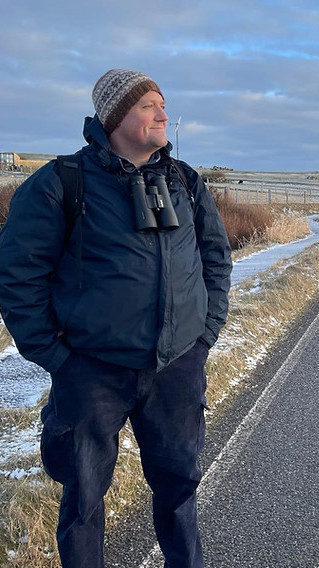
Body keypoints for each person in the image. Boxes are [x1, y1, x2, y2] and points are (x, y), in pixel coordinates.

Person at [0, 69, 232, 568]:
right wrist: (59, 358)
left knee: (179, 490)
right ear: (115, 116)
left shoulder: (185, 182)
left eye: (163, 104)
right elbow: (19, 278)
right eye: (149, 104)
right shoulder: (60, 184)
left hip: (176, 367)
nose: (163, 114)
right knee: (83, 498)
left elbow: (215, 260)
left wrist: (203, 335)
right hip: (91, 372)